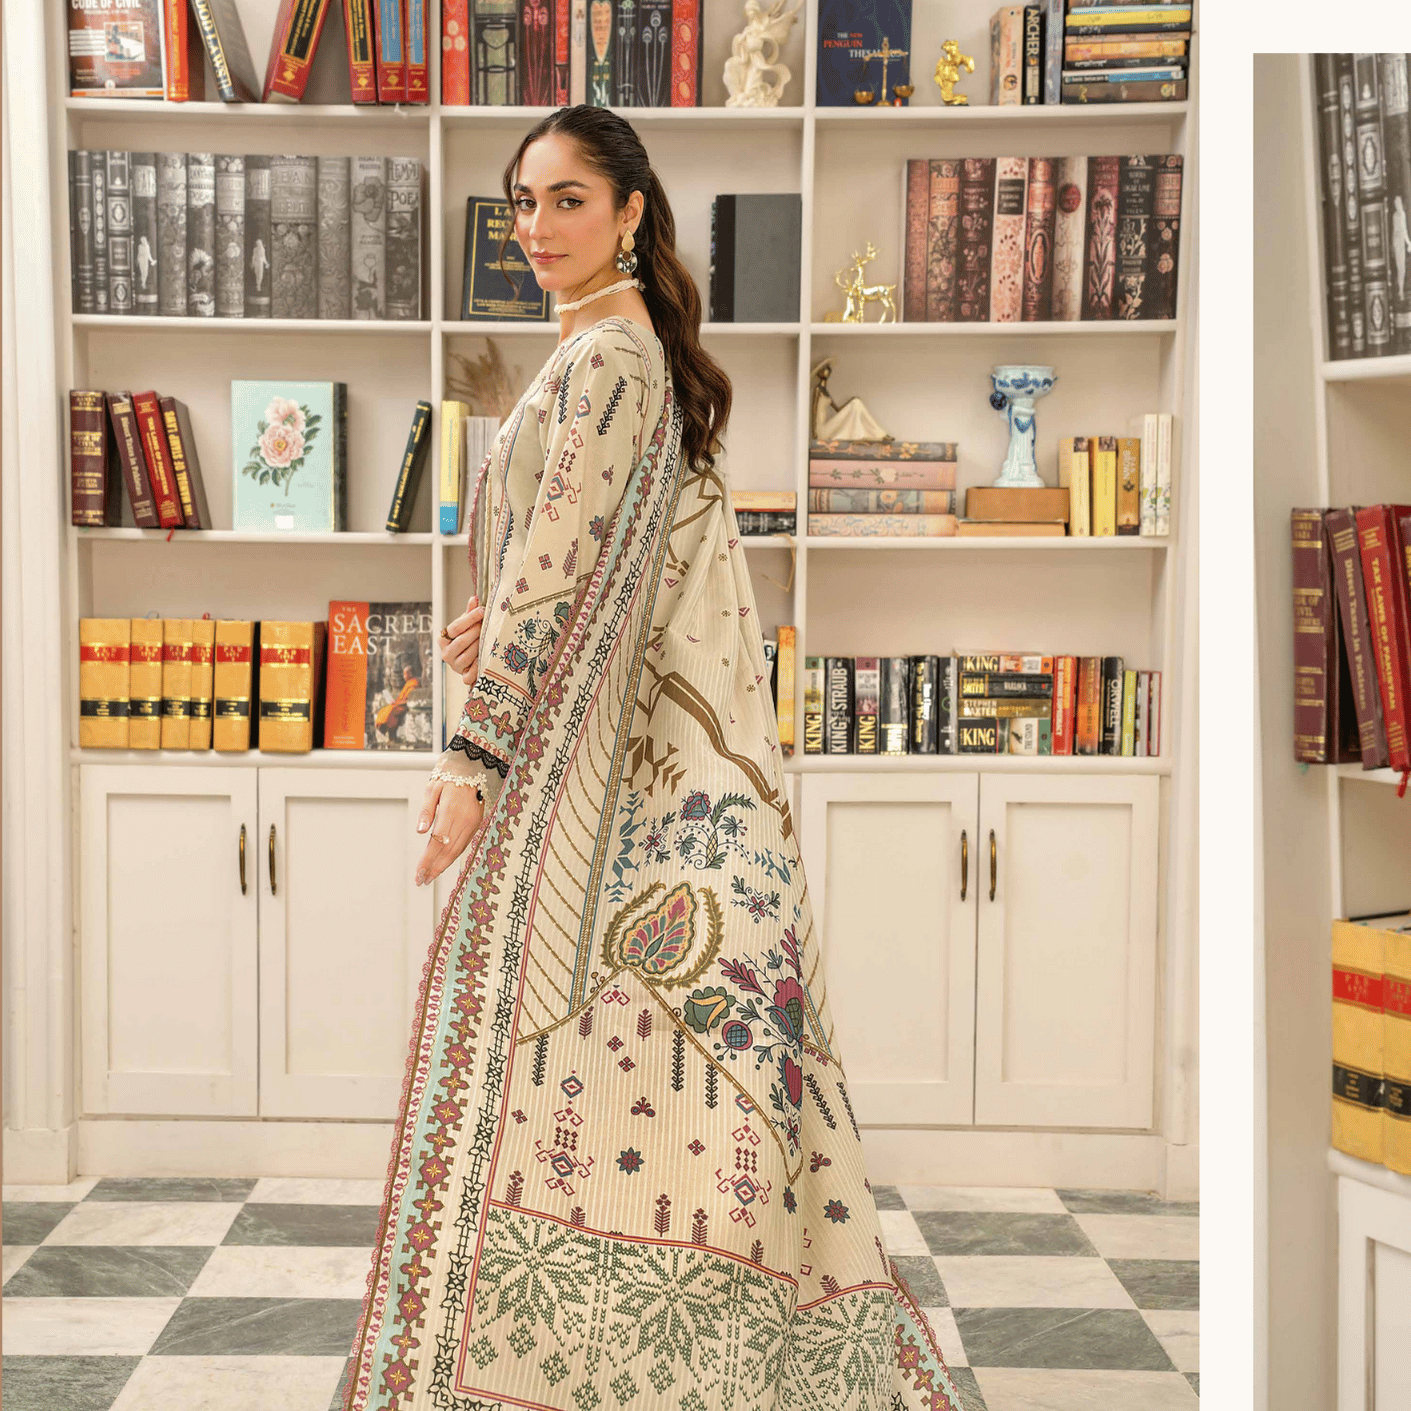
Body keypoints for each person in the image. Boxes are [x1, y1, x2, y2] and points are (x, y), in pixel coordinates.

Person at [341, 104, 965, 1411]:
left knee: (610, 1091)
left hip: (617, 795)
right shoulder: (608, 359)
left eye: (567, 199)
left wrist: (472, 758)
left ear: (629, 210)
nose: (537, 227)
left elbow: (572, 564)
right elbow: (585, 562)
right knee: (634, 1101)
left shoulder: (607, 365)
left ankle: (623, 1367)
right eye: (522, 203)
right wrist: (495, 610)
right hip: (617, 780)